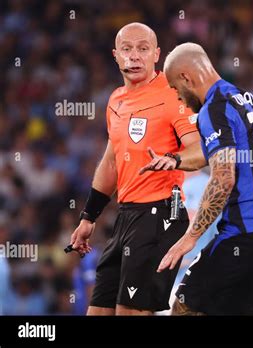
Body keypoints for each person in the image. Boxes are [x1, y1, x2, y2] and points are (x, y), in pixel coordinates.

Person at [157, 42, 253, 315]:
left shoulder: (214, 108)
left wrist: (191, 237)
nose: (178, 98)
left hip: (244, 236)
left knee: (184, 307)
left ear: (186, 78)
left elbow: (223, 178)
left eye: (176, 89)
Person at [69, 23, 206, 316]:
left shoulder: (173, 94)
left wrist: (174, 159)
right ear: (115, 55)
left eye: (143, 49)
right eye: (127, 49)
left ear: (156, 54)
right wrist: (88, 217)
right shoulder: (116, 99)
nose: (134, 56)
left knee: (130, 312)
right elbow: (110, 162)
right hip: (126, 217)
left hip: (160, 215)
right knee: (97, 312)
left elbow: (201, 149)